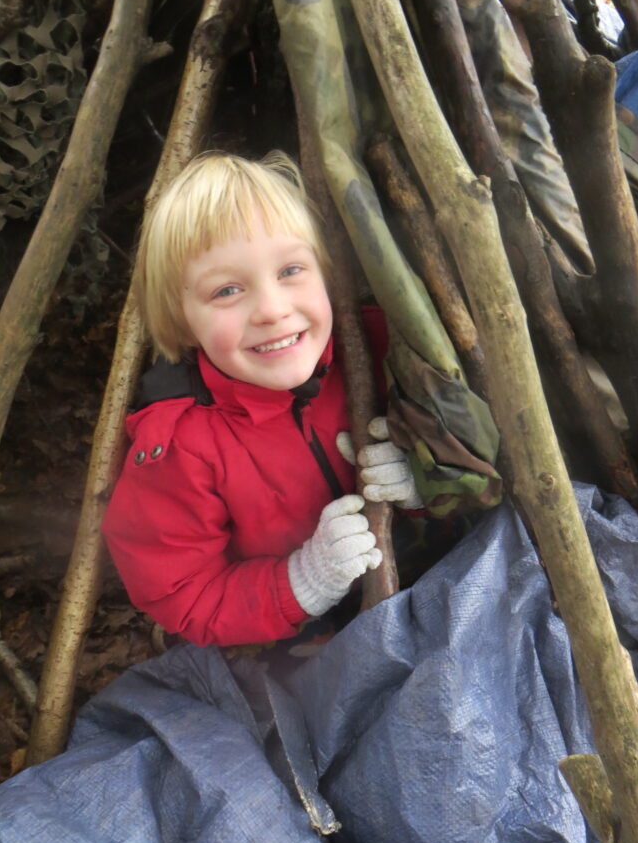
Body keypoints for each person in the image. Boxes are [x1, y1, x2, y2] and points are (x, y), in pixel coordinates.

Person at [102, 151, 421, 648]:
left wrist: (428, 485)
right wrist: (301, 582)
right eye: (227, 290)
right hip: (296, 654)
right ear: (184, 322)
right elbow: (181, 594)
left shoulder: (386, 351)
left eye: (291, 269)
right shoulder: (180, 444)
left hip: (427, 597)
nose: (271, 310)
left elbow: (490, 459)